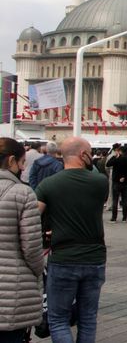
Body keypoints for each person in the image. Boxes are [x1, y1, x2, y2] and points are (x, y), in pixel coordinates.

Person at [35, 137, 108, 342]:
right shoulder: (100, 182)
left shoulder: (48, 185)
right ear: (83, 155)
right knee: (88, 318)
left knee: (58, 319)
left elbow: (33, 216)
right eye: (90, 152)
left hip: (63, 258)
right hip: (94, 258)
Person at [0, 138, 44, 342]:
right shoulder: (23, 193)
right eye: (22, 162)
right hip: (12, 290)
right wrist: (38, 271)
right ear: (11, 161)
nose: (24, 167)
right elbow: (32, 246)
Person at [106, 146, 127, 223]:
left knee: (115, 200)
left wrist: (114, 157)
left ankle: (114, 218)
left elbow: (108, 164)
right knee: (124, 201)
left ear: (119, 151)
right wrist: (125, 177)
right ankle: (124, 218)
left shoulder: (116, 159)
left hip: (116, 181)